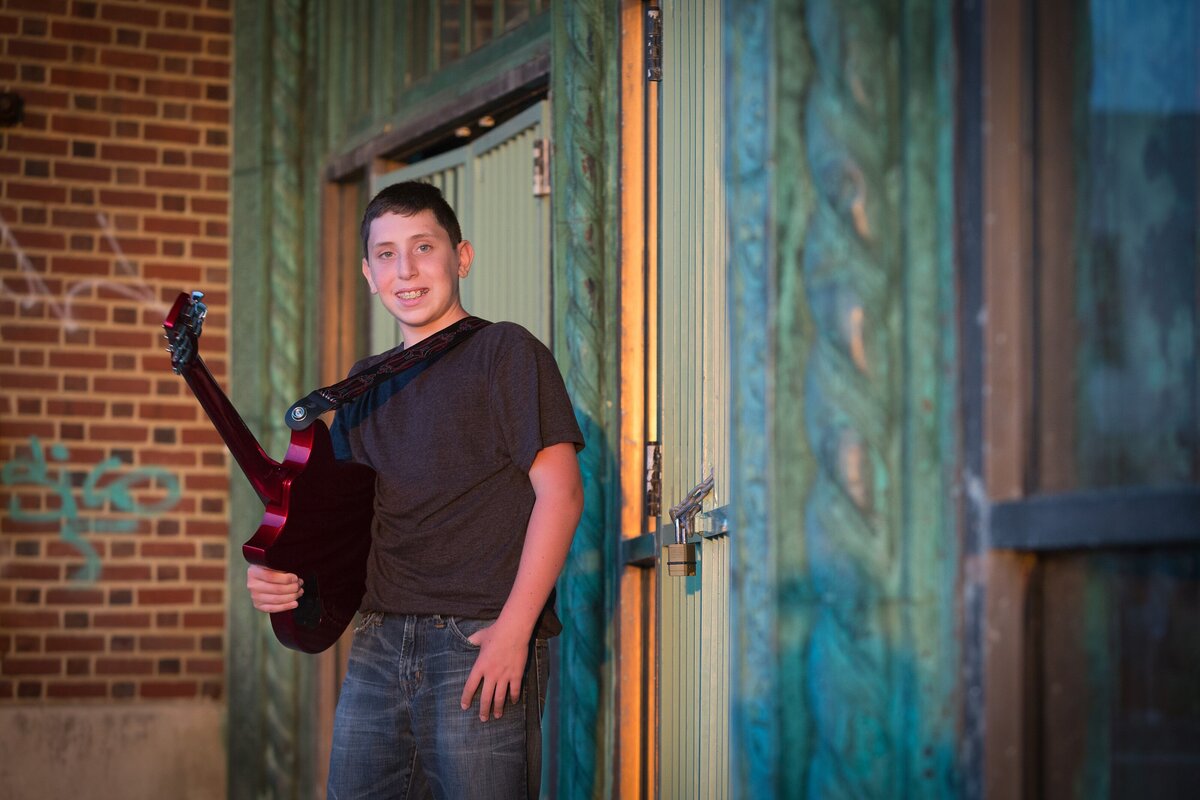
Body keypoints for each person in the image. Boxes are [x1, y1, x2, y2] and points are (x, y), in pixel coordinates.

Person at [246, 181, 585, 799]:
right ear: (369, 275)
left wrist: (515, 629)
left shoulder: (505, 351)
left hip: (479, 635)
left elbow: (560, 495)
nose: (405, 269)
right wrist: (281, 574)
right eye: (386, 254)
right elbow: (340, 526)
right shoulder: (360, 385)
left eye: (424, 247)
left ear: (462, 257)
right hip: (378, 638)